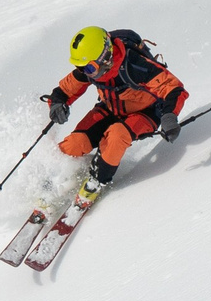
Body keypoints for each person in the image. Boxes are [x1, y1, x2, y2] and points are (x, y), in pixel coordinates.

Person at [45, 26, 186, 189]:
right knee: (75, 143)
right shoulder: (90, 69)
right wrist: (57, 103)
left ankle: (95, 183)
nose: (86, 73)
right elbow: (64, 90)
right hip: (111, 107)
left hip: (145, 112)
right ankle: (51, 186)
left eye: (89, 68)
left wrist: (169, 116)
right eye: (81, 68)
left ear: (105, 57)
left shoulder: (135, 66)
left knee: (116, 136)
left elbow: (173, 88)